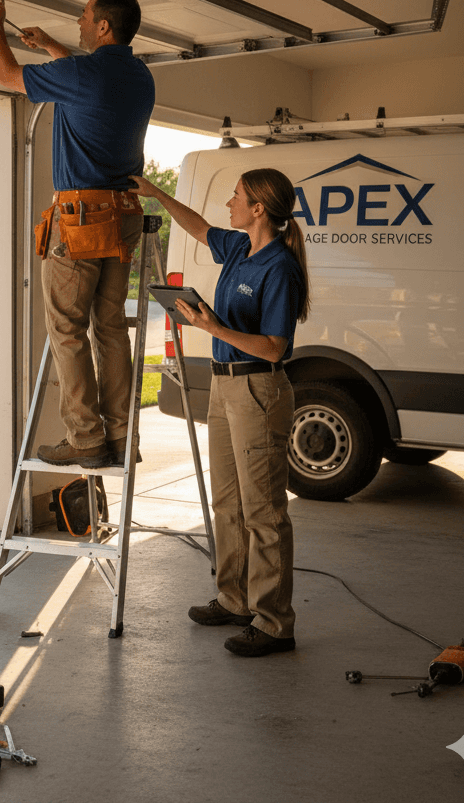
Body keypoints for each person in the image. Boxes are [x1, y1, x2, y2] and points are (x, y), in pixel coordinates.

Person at [129, 167, 310, 657]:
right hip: (224, 389)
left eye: (236, 197)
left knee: (264, 512)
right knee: (226, 503)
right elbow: (198, 227)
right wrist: (156, 194)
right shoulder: (238, 248)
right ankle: (235, 600)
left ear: (259, 209)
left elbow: (274, 347)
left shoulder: (279, 267)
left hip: (259, 391)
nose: (229, 203)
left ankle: (274, 623)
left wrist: (211, 325)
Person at [0, 0, 154, 467]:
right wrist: (56, 47)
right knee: (111, 328)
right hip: (122, 216)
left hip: (80, 220)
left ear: (102, 27)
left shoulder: (84, 74)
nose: (78, 20)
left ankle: (84, 440)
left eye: (84, 14)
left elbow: (7, 75)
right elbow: (91, 80)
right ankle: (121, 438)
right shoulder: (139, 76)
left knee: (67, 329)